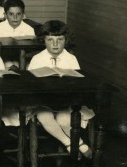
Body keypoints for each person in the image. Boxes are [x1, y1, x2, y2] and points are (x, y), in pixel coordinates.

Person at [28, 20, 94, 158]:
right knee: (43, 115)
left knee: (64, 118)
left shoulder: (71, 59)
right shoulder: (36, 59)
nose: (55, 44)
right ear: (43, 40)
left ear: (66, 40)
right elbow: (31, 86)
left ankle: (75, 145)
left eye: (60, 39)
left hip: (65, 102)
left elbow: (77, 83)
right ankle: (74, 144)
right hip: (43, 102)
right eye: (50, 40)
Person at [0, 0, 35, 69]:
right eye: (11, 14)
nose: (15, 17)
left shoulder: (29, 29)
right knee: (11, 67)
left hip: (23, 59)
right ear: (5, 15)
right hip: (4, 58)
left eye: (18, 14)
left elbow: (29, 52)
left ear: (23, 15)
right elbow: (0, 51)